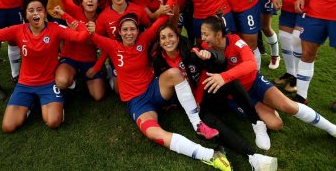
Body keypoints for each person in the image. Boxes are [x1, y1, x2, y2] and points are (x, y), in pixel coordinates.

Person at [90, 12, 231, 170]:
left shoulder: (143, 39)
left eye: (132, 29)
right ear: (119, 32)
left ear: (138, 31)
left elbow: (162, 20)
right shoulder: (112, 45)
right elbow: (90, 35)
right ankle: (211, 155)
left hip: (153, 89)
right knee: (153, 133)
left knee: (175, 73)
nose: (129, 33)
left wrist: (172, 0)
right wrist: (81, 24)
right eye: (125, 30)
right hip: (138, 102)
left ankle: (197, 124)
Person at [152, 23, 277, 170]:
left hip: (206, 94)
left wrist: (209, 55)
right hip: (194, 107)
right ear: (159, 42)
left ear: (178, 38)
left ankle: (256, 122)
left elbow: (220, 59)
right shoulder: (158, 61)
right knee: (213, 122)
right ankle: (253, 156)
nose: (168, 40)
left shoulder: (191, 51)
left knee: (229, 81)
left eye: (171, 36)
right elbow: (161, 87)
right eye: (163, 38)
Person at [199, 15, 336, 142]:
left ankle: (333, 129)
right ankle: (267, 106)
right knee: (276, 124)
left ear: (218, 34)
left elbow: (252, 63)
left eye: (206, 34)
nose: (203, 38)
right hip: (238, 96)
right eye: (202, 34)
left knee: (288, 105)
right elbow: (200, 66)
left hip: (255, 83)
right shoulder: (205, 47)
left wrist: (224, 76)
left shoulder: (236, 42)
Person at [0, 0, 93, 132]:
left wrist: (78, 25)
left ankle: (52, 104)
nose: (36, 13)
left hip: (48, 83)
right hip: (25, 84)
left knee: (53, 122)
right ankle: (30, 106)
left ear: (45, 13)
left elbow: (82, 36)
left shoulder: (55, 28)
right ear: (26, 15)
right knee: (8, 127)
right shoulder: (18, 30)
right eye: (31, 10)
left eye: (40, 10)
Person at [53, 0, 105, 100]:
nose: (90, 1)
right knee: (61, 82)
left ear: (98, 3)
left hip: (89, 61)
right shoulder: (75, 11)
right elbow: (66, 1)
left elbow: (106, 47)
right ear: (81, 2)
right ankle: (72, 80)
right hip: (70, 58)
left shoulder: (102, 21)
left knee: (98, 96)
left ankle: (95, 74)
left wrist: (96, 67)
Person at [95, 0, 151, 92]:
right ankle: (111, 70)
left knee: (144, 83)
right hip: (118, 55)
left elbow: (149, 28)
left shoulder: (137, 10)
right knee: (119, 91)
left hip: (138, 52)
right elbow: (99, 40)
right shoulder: (103, 16)